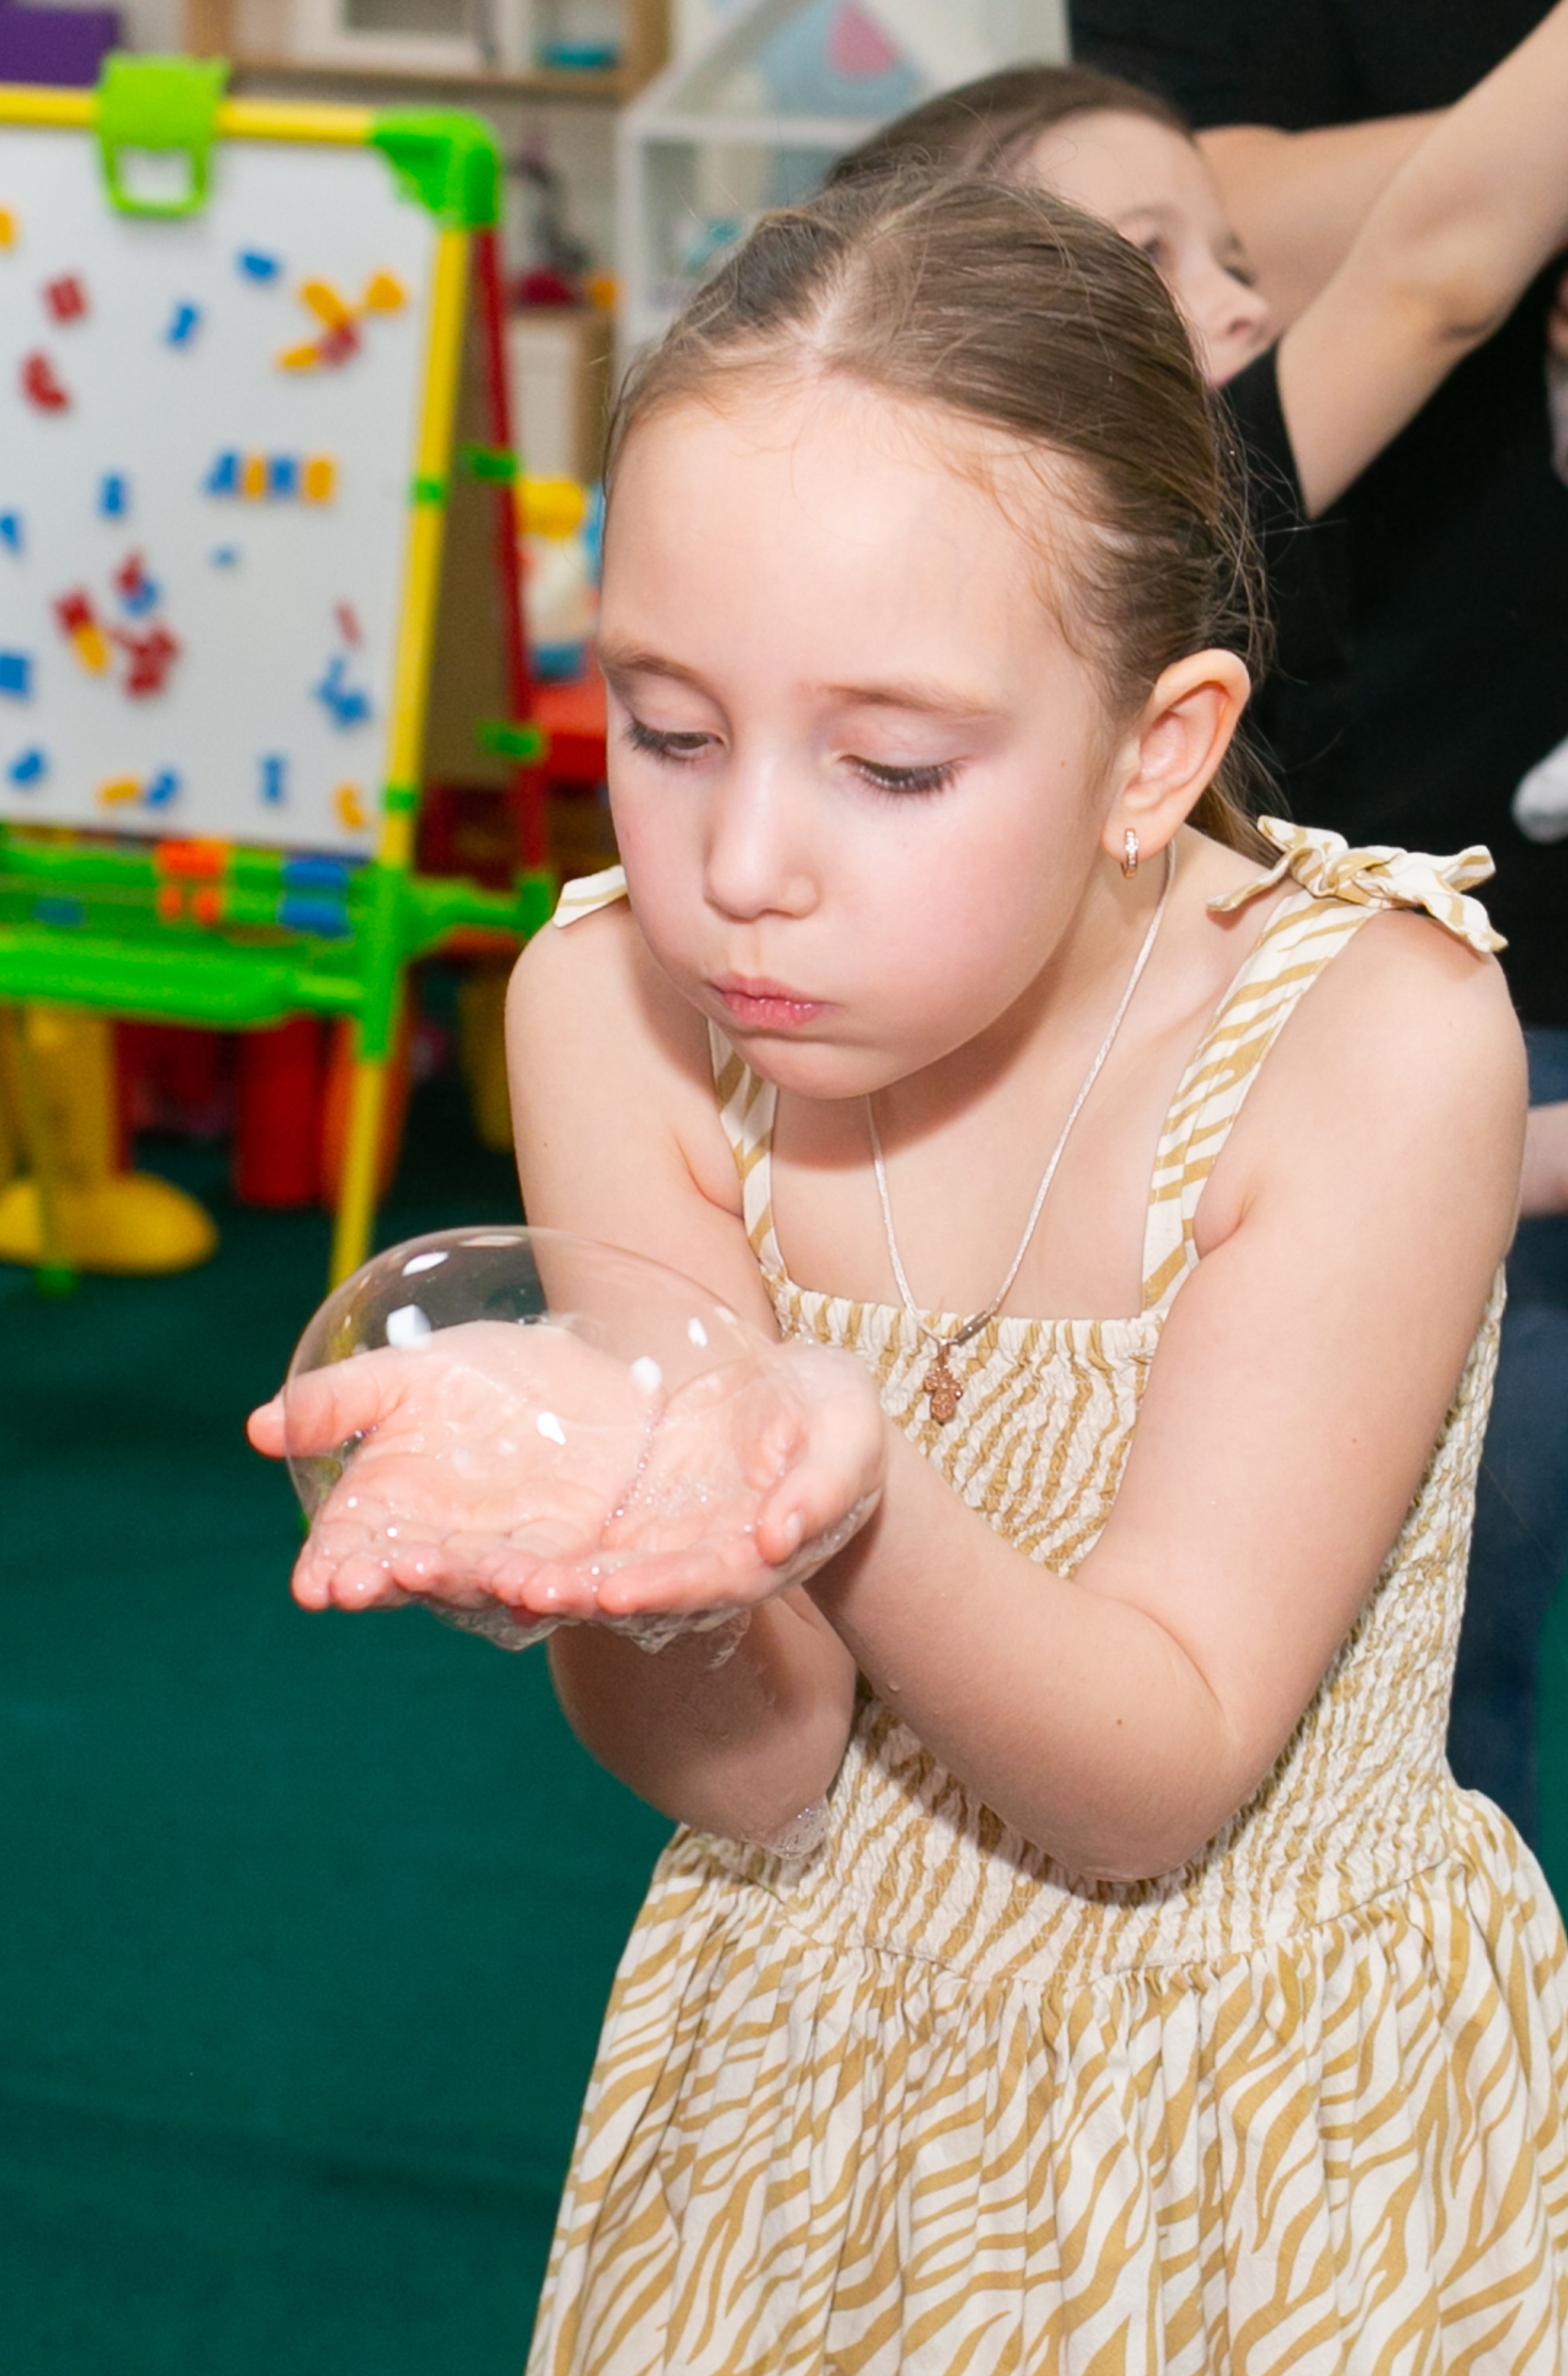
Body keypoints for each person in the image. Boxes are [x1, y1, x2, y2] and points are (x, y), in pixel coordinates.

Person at [251, 175, 1566, 2360]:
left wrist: (823, 1481)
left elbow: (1154, 1778)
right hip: (808, 2057)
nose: (740, 867)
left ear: (1159, 748)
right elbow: (756, 1776)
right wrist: (631, 1535)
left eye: (889, 766)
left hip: (1267, 2108)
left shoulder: (1366, 1035)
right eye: (665, 732)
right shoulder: (610, 1009)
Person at [831, 38, 1568, 1837]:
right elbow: (1441, 252)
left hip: (1379, 1156)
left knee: (1431, 1691)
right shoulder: (1194, 502)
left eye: (1226, 255)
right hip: (1268, 1206)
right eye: (1144, 262)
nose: (1232, 301)